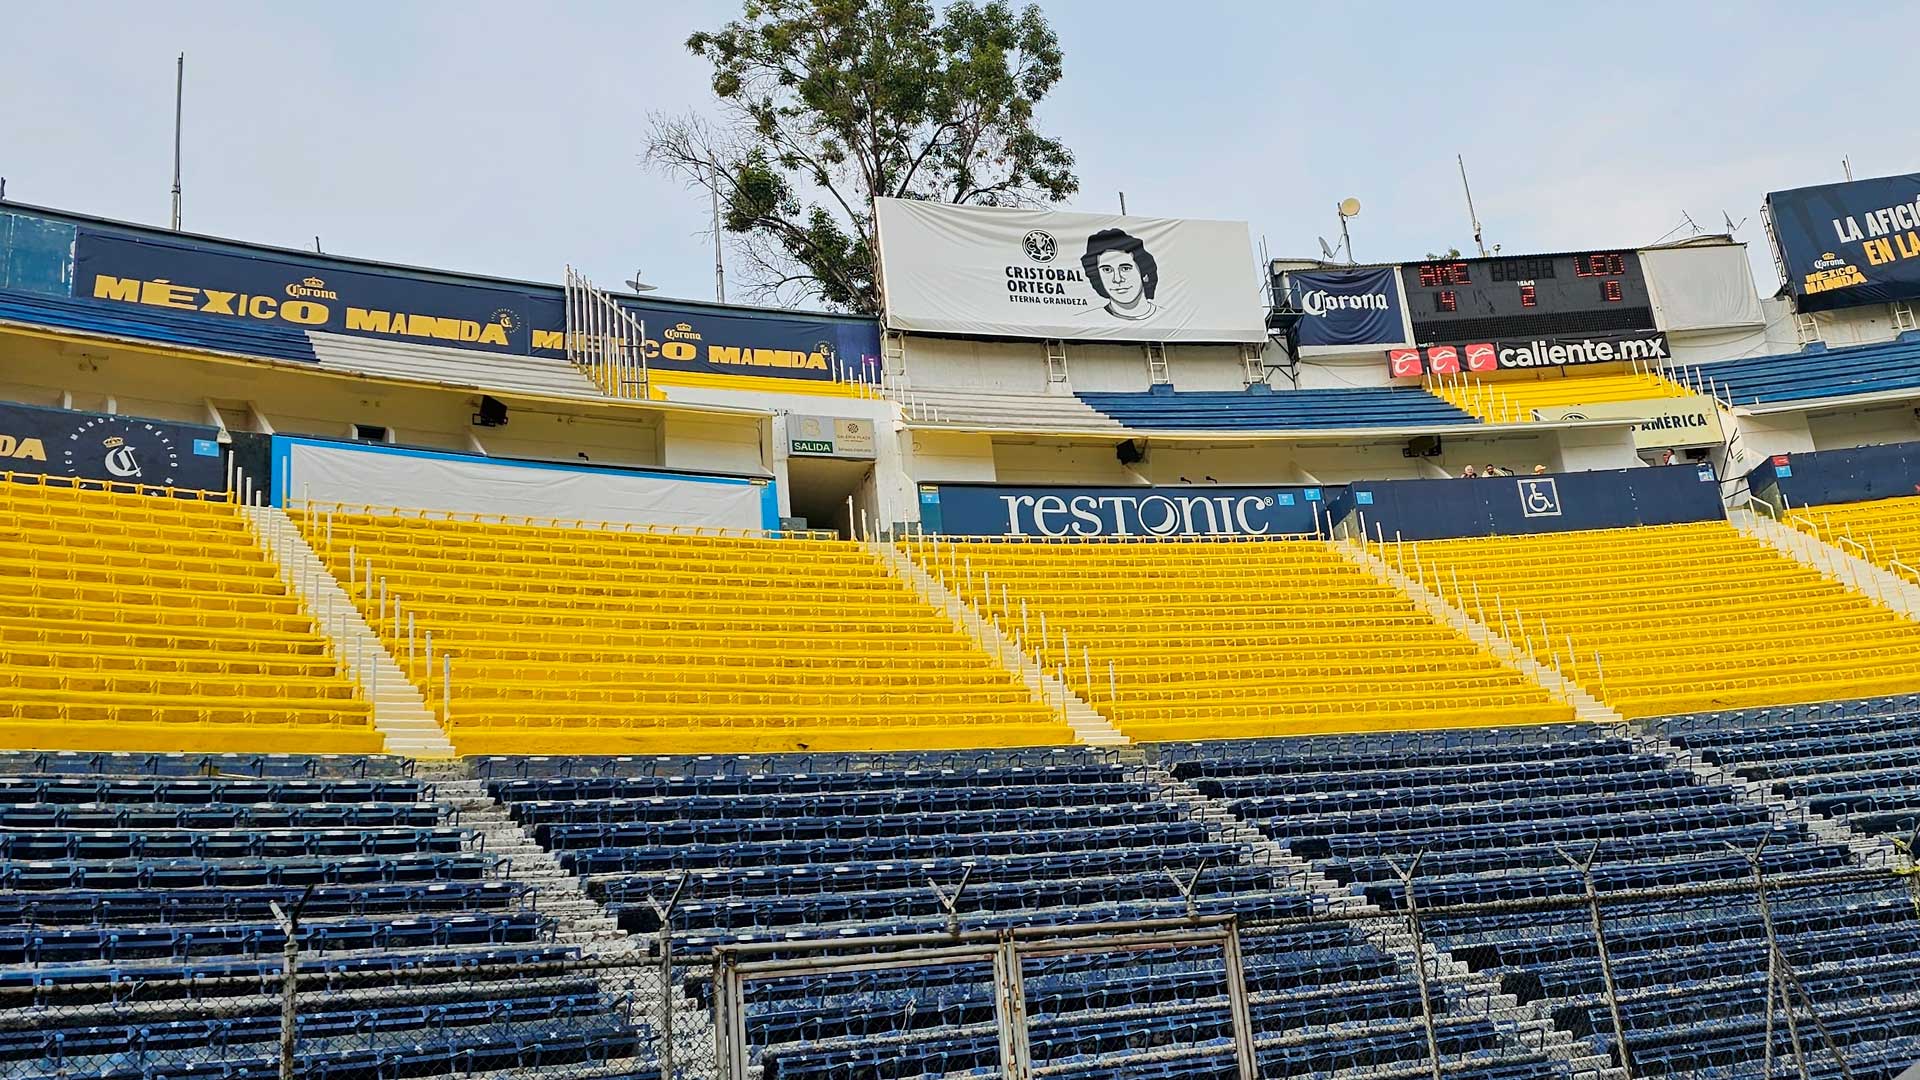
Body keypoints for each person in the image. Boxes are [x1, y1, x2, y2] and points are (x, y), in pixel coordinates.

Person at [1079, 228, 1160, 321]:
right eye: (1107, 270)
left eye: (1125, 269)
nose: (1117, 279)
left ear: (1144, 273)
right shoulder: (1086, 321)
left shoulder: (1171, 321)